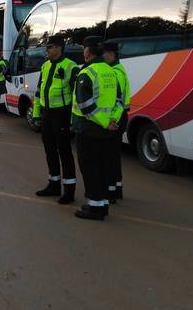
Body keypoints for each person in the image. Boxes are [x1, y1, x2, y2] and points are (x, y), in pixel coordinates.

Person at [71, 36, 122, 221]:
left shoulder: (87, 73)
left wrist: (103, 121)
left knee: (89, 168)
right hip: (106, 130)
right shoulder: (110, 71)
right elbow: (119, 101)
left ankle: (94, 208)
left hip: (88, 129)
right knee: (101, 167)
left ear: (88, 51)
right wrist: (112, 120)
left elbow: (85, 105)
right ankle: (102, 204)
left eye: (84, 48)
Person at [32, 36, 80, 204]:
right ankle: (53, 184)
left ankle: (69, 190)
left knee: (64, 152)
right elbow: (38, 92)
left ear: (59, 47)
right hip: (47, 114)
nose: (47, 50)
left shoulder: (71, 67)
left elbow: (77, 96)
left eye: (50, 47)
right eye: (47, 47)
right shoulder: (45, 66)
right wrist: (36, 115)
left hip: (62, 114)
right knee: (49, 150)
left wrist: (73, 119)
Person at [103, 42, 130, 203]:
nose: (103, 56)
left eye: (105, 53)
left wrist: (111, 120)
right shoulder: (119, 69)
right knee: (114, 155)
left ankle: (111, 192)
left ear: (112, 54)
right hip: (120, 116)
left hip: (116, 118)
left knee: (110, 156)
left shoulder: (115, 72)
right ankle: (116, 188)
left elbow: (118, 101)